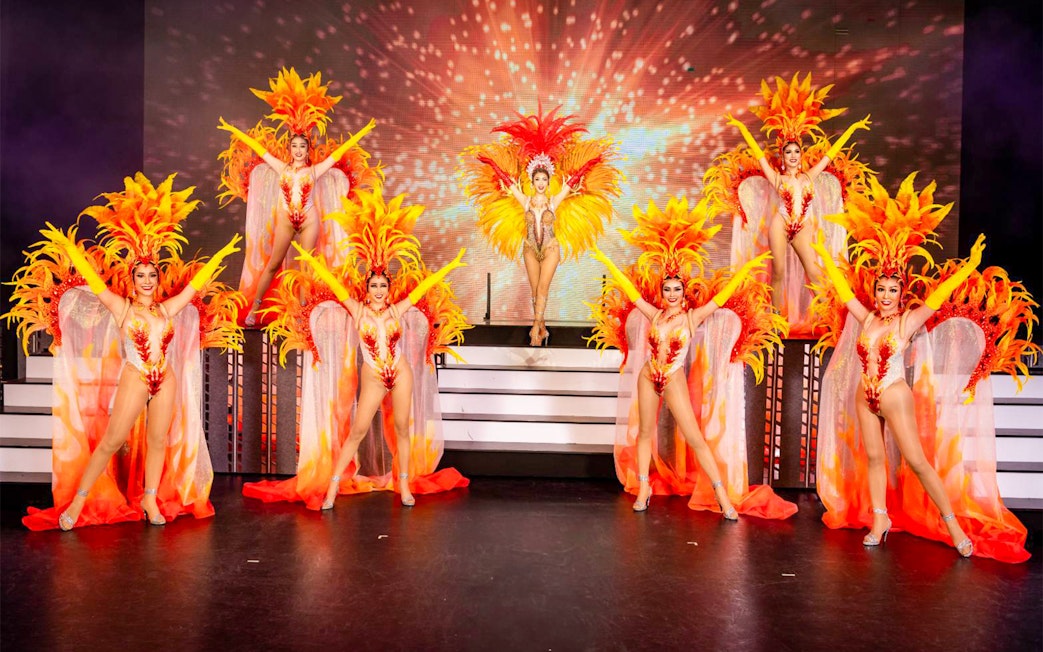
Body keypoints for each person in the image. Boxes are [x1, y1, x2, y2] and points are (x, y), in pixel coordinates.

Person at [811, 172, 1034, 562]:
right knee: (875, 458)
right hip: (865, 395)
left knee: (916, 461)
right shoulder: (866, 320)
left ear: (901, 293)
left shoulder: (906, 321)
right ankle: (880, 522)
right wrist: (826, 256)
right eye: (880, 289)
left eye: (892, 290)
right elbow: (845, 293)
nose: (884, 296)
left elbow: (938, 296)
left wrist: (972, 265)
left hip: (894, 394)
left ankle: (952, 526)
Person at [5, 173, 244, 531]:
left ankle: (149, 497)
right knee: (112, 440)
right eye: (141, 276)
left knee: (157, 439)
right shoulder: (122, 309)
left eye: (152, 275)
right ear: (133, 281)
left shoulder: (165, 310)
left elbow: (195, 288)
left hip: (165, 377)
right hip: (135, 375)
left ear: (157, 279)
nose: (147, 281)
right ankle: (80, 500)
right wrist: (71, 250)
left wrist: (222, 255)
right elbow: (95, 283)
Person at [242, 188, 470, 510]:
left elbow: (422, 289)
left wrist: (454, 265)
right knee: (358, 431)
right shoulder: (357, 311)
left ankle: (403, 484)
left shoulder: (396, 311)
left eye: (382, 286)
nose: (378, 290)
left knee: (403, 428)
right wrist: (309, 260)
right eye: (373, 286)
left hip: (399, 371)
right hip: (375, 375)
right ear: (367, 289)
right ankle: (333, 488)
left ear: (389, 289)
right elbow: (335, 287)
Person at [588, 196, 796, 520]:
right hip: (648, 375)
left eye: (676, 290)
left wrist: (745, 270)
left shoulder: (691, 318)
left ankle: (722, 496)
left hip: (671, 379)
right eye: (667, 289)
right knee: (644, 432)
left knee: (695, 438)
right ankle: (643, 488)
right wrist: (605, 259)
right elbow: (629, 290)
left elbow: (723, 300)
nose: (671, 295)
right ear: (662, 292)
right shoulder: (654, 314)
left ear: (684, 293)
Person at [705, 73, 873, 336]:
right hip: (781, 223)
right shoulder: (777, 179)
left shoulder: (809, 177)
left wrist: (852, 129)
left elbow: (831, 154)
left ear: (801, 155)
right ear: (783, 157)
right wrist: (740, 126)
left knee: (816, 275)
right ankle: (772, 324)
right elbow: (759, 154)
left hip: (802, 225)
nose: (793, 156)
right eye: (788, 152)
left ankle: (827, 320)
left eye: (796, 152)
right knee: (779, 273)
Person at [216, 67, 379, 326]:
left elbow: (339, 154)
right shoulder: (282, 168)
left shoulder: (315, 171)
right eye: (295, 146)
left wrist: (364, 131)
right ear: (290, 148)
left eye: (303, 146)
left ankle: (303, 314)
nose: (299, 150)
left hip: (309, 220)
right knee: (273, 264)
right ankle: (255, 309)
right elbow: (258, 148)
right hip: (285, 219)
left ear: (308, 149)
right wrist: (232, 130)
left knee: (305, 266)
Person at [461, 105, 621, 344]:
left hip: (550, 249)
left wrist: (591, 163)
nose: (541, 183)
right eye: (537, 179)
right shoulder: (525, 201)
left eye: (544, 179)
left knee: (543, 290)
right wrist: (491, 163)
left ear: (548, 181)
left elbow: (573, 181)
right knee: (536, 294)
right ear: (532, 180)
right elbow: (507, 181)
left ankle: (535, 331)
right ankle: (543, 329)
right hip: (529, 249)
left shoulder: (554, 202)